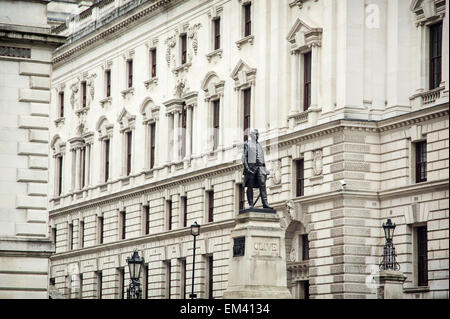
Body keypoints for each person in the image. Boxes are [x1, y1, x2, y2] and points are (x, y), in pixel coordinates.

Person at [242, 129, 273, 209]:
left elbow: (261, 157)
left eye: (258, 134)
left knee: (262, 185)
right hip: (251, 168)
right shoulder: (247, 144)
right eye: (256, 134)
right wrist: (247, 168)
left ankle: (265, 203)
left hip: (260, 167)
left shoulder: (259, 145)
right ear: (252, 135)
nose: (257, 136)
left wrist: (265, 169)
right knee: (250, 186)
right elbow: (244, 157)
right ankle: (251, 204)